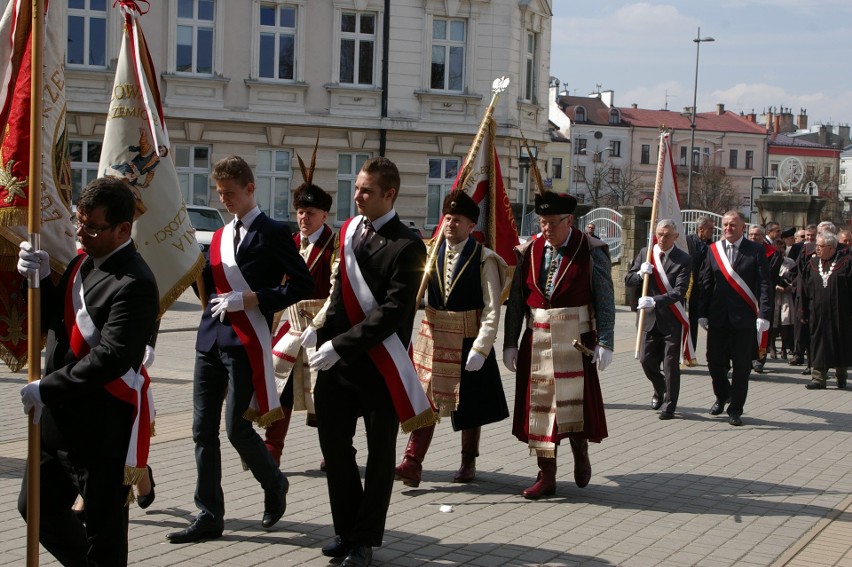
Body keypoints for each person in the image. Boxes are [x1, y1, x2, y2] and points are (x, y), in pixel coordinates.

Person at [167, 156, 313, 544]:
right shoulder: (218, 235)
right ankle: (209, 513)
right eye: (220, 194)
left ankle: (274, 482)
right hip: (209, 340)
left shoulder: (274, 233)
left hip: (245, 342)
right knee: (201, 431)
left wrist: (253, 299)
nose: (225, 200)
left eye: (230, 193)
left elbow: (302, 284)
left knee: (237, 429)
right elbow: (209, 286)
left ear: (250, 189)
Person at [17, 177, 159, 566]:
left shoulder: (136, 282)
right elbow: (59, 326)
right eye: (79, 222)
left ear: (123, 229)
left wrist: (46, 388)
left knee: (104, 534)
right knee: (36, 509)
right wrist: (40, 279)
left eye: (93, 227)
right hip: (59, 423)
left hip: (101, 432)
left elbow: (111, 357)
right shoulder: (83, 262)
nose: (81, 232)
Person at [309, 156, 429, 567]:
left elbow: (393, 311)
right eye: (357, 187)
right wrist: (317, 329)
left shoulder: (408, 243)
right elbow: (338, 293)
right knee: (335, 449)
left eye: (366, 191)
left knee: (380, 458)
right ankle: (345, 530)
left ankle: (365, 539)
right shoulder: (347, 231)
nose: (356, 195)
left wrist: (340, 344)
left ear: (389, 194)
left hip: (380, 366)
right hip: (338, 364)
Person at [395, 190, 509, 487]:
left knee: (470, 406)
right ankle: (412, 461)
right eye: (447, 218)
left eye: (457, 220)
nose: (450, 224)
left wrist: (482, 349)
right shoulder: (430, 250)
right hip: (432, 337)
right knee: (425, 401)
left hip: (467, 338)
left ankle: (468, 460)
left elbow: (492, 308)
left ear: (472, 226)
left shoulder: (485, 259)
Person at [503, 191, 614, 499]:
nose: (546, 228)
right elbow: (516, 302)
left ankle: (580, 451)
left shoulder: (591, 250)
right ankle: (546, 475)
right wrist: (510, 342)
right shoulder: (529, 250)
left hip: (576, 341)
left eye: (553, 222)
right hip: (536, 339)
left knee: (572, 406)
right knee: (540, 408)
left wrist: (606, 341)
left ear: (570, 220)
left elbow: (605, 300)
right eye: (542, 221)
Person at [267, 159, 338, 467]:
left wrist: (320, 326)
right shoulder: (292, 243)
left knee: (323, 397)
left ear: (324, 214)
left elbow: (337, 292)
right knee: (278, 388)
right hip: (292, 330)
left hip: (323, 329)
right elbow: (278, 289)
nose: (303, 218)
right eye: (299, 212)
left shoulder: (335, 244)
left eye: (310, 213)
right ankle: (272, 450)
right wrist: (269, 327)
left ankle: (331, 452)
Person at [698, 210, 772, 426]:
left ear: (743, 227)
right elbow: (706, 283)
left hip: (744, 318)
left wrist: (764, 314)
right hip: (718, 317)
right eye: (725, 225)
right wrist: (702, 312)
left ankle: (735, 409)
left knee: (741, 366)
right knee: (714, 361)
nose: (728, 229)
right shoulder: (714, 250)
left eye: (733, 225)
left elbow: (765, 285)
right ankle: (722, 395)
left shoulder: (756, 250)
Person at [625, 219, 693, 420]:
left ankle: (670, 404)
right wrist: (639, 273)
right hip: (648, 319)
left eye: (667, 235)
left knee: (670, 363)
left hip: (671, 318)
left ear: (675, 237)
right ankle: (659, 388)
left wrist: (654, 300)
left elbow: (680, 291)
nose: (662, 239)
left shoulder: (684, 259)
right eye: (659, 235)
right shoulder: (646, 252)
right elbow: (628, 279)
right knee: (646, 360)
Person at [801, 232, 852, 389]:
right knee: (818, 344)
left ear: (831, 248)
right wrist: (803, 311)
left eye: (820, 246)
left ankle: (841, 376)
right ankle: (818, 378)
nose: (817, 249)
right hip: (817, 313)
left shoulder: (846, 262)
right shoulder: (812, 263)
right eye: (816, 245)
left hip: (841, 313)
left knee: (840, 343)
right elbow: (803, 288)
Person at [748, 225, 781, 373]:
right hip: (747, 294)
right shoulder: (744, 250)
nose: (754, 237)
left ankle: (760, 359)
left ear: (763, 236)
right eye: (751, 235)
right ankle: (747, 358)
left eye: (757, 235)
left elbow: (770, 276)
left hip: (763, 295)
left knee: (762, 328)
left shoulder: (773, 253)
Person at [686, 216, 715, 354]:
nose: (712, 231)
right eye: (710, 228)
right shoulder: (687, 241)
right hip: (686, 287)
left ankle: (691, 352)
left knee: (696, 321)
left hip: (703, 289)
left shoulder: (713, 246)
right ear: (701, 229)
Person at [770, 239, 796, 359]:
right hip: (774, 294)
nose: (780, 251)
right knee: (774, 322)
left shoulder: (790, 262)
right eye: (777, 248)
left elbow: (795, 278)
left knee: (785, 321)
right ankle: (772, 346)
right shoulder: (769, 260)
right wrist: (775, 287)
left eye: (782, 248)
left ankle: (784, 347)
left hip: (786, 295)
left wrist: (789, 287)